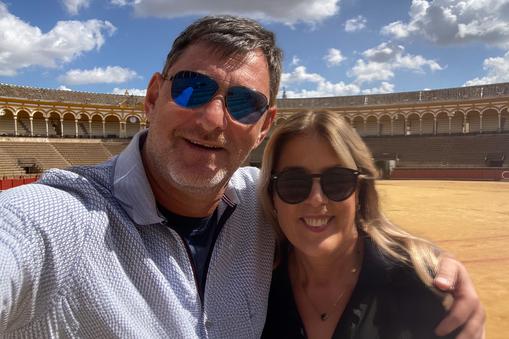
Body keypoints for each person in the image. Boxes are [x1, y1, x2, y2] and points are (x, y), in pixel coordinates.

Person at [0, 15, 483, 338]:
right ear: (152, 98)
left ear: (263, 127)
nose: (213, 120)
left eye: (243, 103)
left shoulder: (266, 199)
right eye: (192, 89)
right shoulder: (58, 220)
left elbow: (340, 214)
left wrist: (429, 262)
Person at [259, 111, 484, 339]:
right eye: (293, 183)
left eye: (337, 181)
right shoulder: (253, 285)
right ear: (272, 197)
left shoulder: (422, 286)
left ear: (360, 193)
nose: (316, 198)